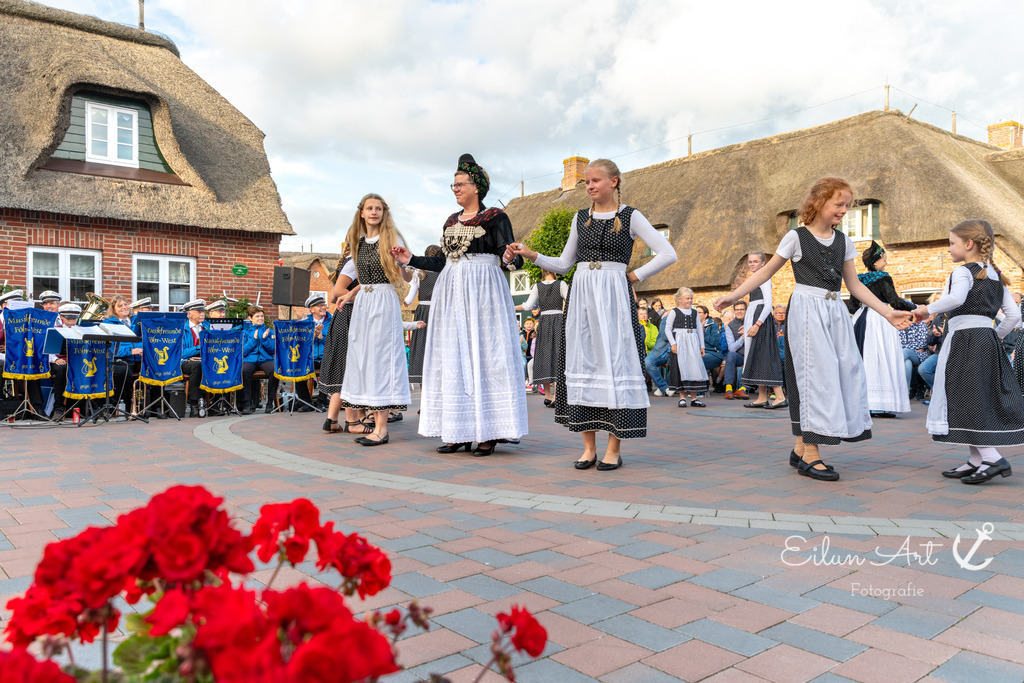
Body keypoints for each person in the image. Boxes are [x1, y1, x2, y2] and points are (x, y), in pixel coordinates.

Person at [714, 177, 911, 481]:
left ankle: (799, 447)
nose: (844, 210)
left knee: (844, 372)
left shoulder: (844, 241)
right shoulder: (796, 238)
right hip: (807, 308)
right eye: (839, 204)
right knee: (815, 378)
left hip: (835, 311)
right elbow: (766, 272)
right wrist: (732, 296)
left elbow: (854, 284)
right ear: (819, 203)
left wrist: (887, 312)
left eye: (847, 205)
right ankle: (812, 455)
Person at [508, 158, 677, 470]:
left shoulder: (630, 216)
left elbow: (668, 252)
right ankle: (588, 447)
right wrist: (533, 255)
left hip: (614, 294)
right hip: (582, 294)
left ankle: (613, 448)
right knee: (581, 359)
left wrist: (633, 276)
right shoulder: (579, 218)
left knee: (616, 362)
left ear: (613, 182)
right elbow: (563, 265)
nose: (589, 186)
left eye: (595, 180)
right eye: (586, 182)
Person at [392, 154, 527, 456]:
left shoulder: (496, 217)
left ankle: (488, 431)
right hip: (452, 290)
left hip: (484, 289)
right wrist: (410, 259)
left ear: (476, 186)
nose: (454, 189)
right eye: (452, 185)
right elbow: (441, 261)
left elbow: (512, 256)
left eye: (460, 184)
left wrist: (510, 258)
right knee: (452, 355)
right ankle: (457, 430)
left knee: (485, 355)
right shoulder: (451, 221)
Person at [912, 219, 1024, 484]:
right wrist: (992, 336)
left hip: (964, 339)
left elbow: (957, 299)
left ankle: (993, 458)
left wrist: (926, 309)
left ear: (969, 244)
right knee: (973, 397)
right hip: (985, 338)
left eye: (952, 244)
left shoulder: (963, 272)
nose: (949, 249)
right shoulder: (996, 276)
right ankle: (976, 459)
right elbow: (1013, 317)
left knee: (962, 395)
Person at [338, 193, 413, 447]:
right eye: (369, 208)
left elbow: (407, 278)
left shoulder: (392, 238)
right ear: (362, 212)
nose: (373, 212)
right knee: (363, 359)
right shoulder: (357, 242)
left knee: (382, 359)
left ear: (384, 212)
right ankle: (370, 420)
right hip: (363, 303)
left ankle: (381, 428)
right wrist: (350, 293)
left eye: (378, 208)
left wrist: (404, 262)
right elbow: (362, 280)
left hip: (383, 300)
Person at [846, 241, 916, 418]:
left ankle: (866, 403)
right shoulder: (883, 277)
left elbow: (853, 307)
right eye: (884, 260)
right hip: (879, 319)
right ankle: (881, 404)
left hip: (861, 320)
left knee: (865, 358)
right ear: (876, 262)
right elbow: (894, 301)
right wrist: (913, 306)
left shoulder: (859, 280)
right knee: (881, 357)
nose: (886, 263)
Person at [319, 245, 367, 433]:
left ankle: (331, 419)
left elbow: (332, 296)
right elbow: (336, 293)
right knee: (349, 369)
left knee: (342, 367)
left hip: (342, 317)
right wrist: (368, 298)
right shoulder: (354, 261)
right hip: (349, 318)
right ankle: (352, 421)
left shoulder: (347, 261)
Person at [740, 253, 786, 409]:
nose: (752, 264)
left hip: (760, 320)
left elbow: (768, 305)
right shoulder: (755, 278)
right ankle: (761, 397)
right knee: (757, 357)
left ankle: (779, 396)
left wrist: (757, 324)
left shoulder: (765, 278)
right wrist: (747, 324)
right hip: (754, 317)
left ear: (763, 263)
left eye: (755, 261)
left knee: (765, 356)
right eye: (750, 262)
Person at [517, 270, 567, 406]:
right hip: (558, 321)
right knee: (558, 356)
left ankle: (548, 395)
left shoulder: (537, 286)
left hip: (544, 322)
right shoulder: (561, 284)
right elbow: (570, 301)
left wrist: (510, 306)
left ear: (542, 271)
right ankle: (556, 396)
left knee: (544, 356)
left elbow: (527, 305)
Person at [405, 245, 442, 386]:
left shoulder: (419, 274)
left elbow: (410, 297)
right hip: (439, 312)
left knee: (421, 350)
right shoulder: (443, 273)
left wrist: (406, 301)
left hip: (423, 312)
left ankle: (423, 402)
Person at [666, 287, 708, 407]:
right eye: (687, 298)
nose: (690, 301)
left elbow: (699, 329)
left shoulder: (694, 312)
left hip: (693, 340)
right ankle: (682, 397)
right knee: (681, 367)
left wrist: (702, 346)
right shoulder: (674, 311)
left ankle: (694, 398)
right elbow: (667, 329)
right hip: (680, 340)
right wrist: (673, 343)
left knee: (693, 367)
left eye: (691, 298)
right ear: (680, 299)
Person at [240, 306, 278, 414]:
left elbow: (272, 350)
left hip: (265, 359)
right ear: (250, 318)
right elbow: (244, 351)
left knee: (275, 370)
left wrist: (265, 339)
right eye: (257, 316)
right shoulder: (245, 332)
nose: (260, 318)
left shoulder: (269, 332)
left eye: (262, 316)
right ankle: (246, 403)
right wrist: (254, 339)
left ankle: (270, 402)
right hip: (250, 359)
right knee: (244, 371)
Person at [296, 293, 331, 411]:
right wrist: (313, 336)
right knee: (298, 368)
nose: (323, 308)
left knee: (327, 368)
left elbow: (336, 342)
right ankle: (306, 402)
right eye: (320, 306)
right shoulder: (304, 323)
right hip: (310, 358)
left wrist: (321, 337)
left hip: (327, 357)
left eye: (324, 305)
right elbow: (300, 344)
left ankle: (321, 401)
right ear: (311, 309)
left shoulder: (332, 322)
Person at [180, 299, 207, 417]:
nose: (202, 313)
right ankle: (195, 404)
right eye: (198, 311)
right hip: (186, 362)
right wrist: (199, 348)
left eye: (203, 311)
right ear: (189, 314)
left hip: (205, 361)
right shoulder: (181, 329)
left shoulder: (208, 327)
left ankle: (215, 404)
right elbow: (181, 353)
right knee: (197, 366)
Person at [722, 301, 749, 400]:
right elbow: (732, 348)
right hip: (740, 356)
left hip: (752, 356)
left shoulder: (752, 322)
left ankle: (743, 389)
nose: (739, 312)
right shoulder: (730, 326)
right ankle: (728, 389)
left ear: (746, 310)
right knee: (731, 355)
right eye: (737, 310)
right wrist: (743, 337)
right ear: (734, 311)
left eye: (742, 309)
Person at [644, 314, 673, 397]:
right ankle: (665, 387)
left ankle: (664, 387)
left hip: (674, 352)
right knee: (647, 362)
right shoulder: (667, 319)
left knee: (678, 363)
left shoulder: (685, 321)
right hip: (660, 351)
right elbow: (664, 336)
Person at [698, 304, 724, 384]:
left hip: (714, 354)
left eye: (699, 312)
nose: (696, 314)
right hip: (699, 352)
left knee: (697, 360)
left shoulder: (713, 325)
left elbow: (715, 342)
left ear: (705, 315)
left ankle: (701, 388)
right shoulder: (694, 326)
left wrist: (704, 333)